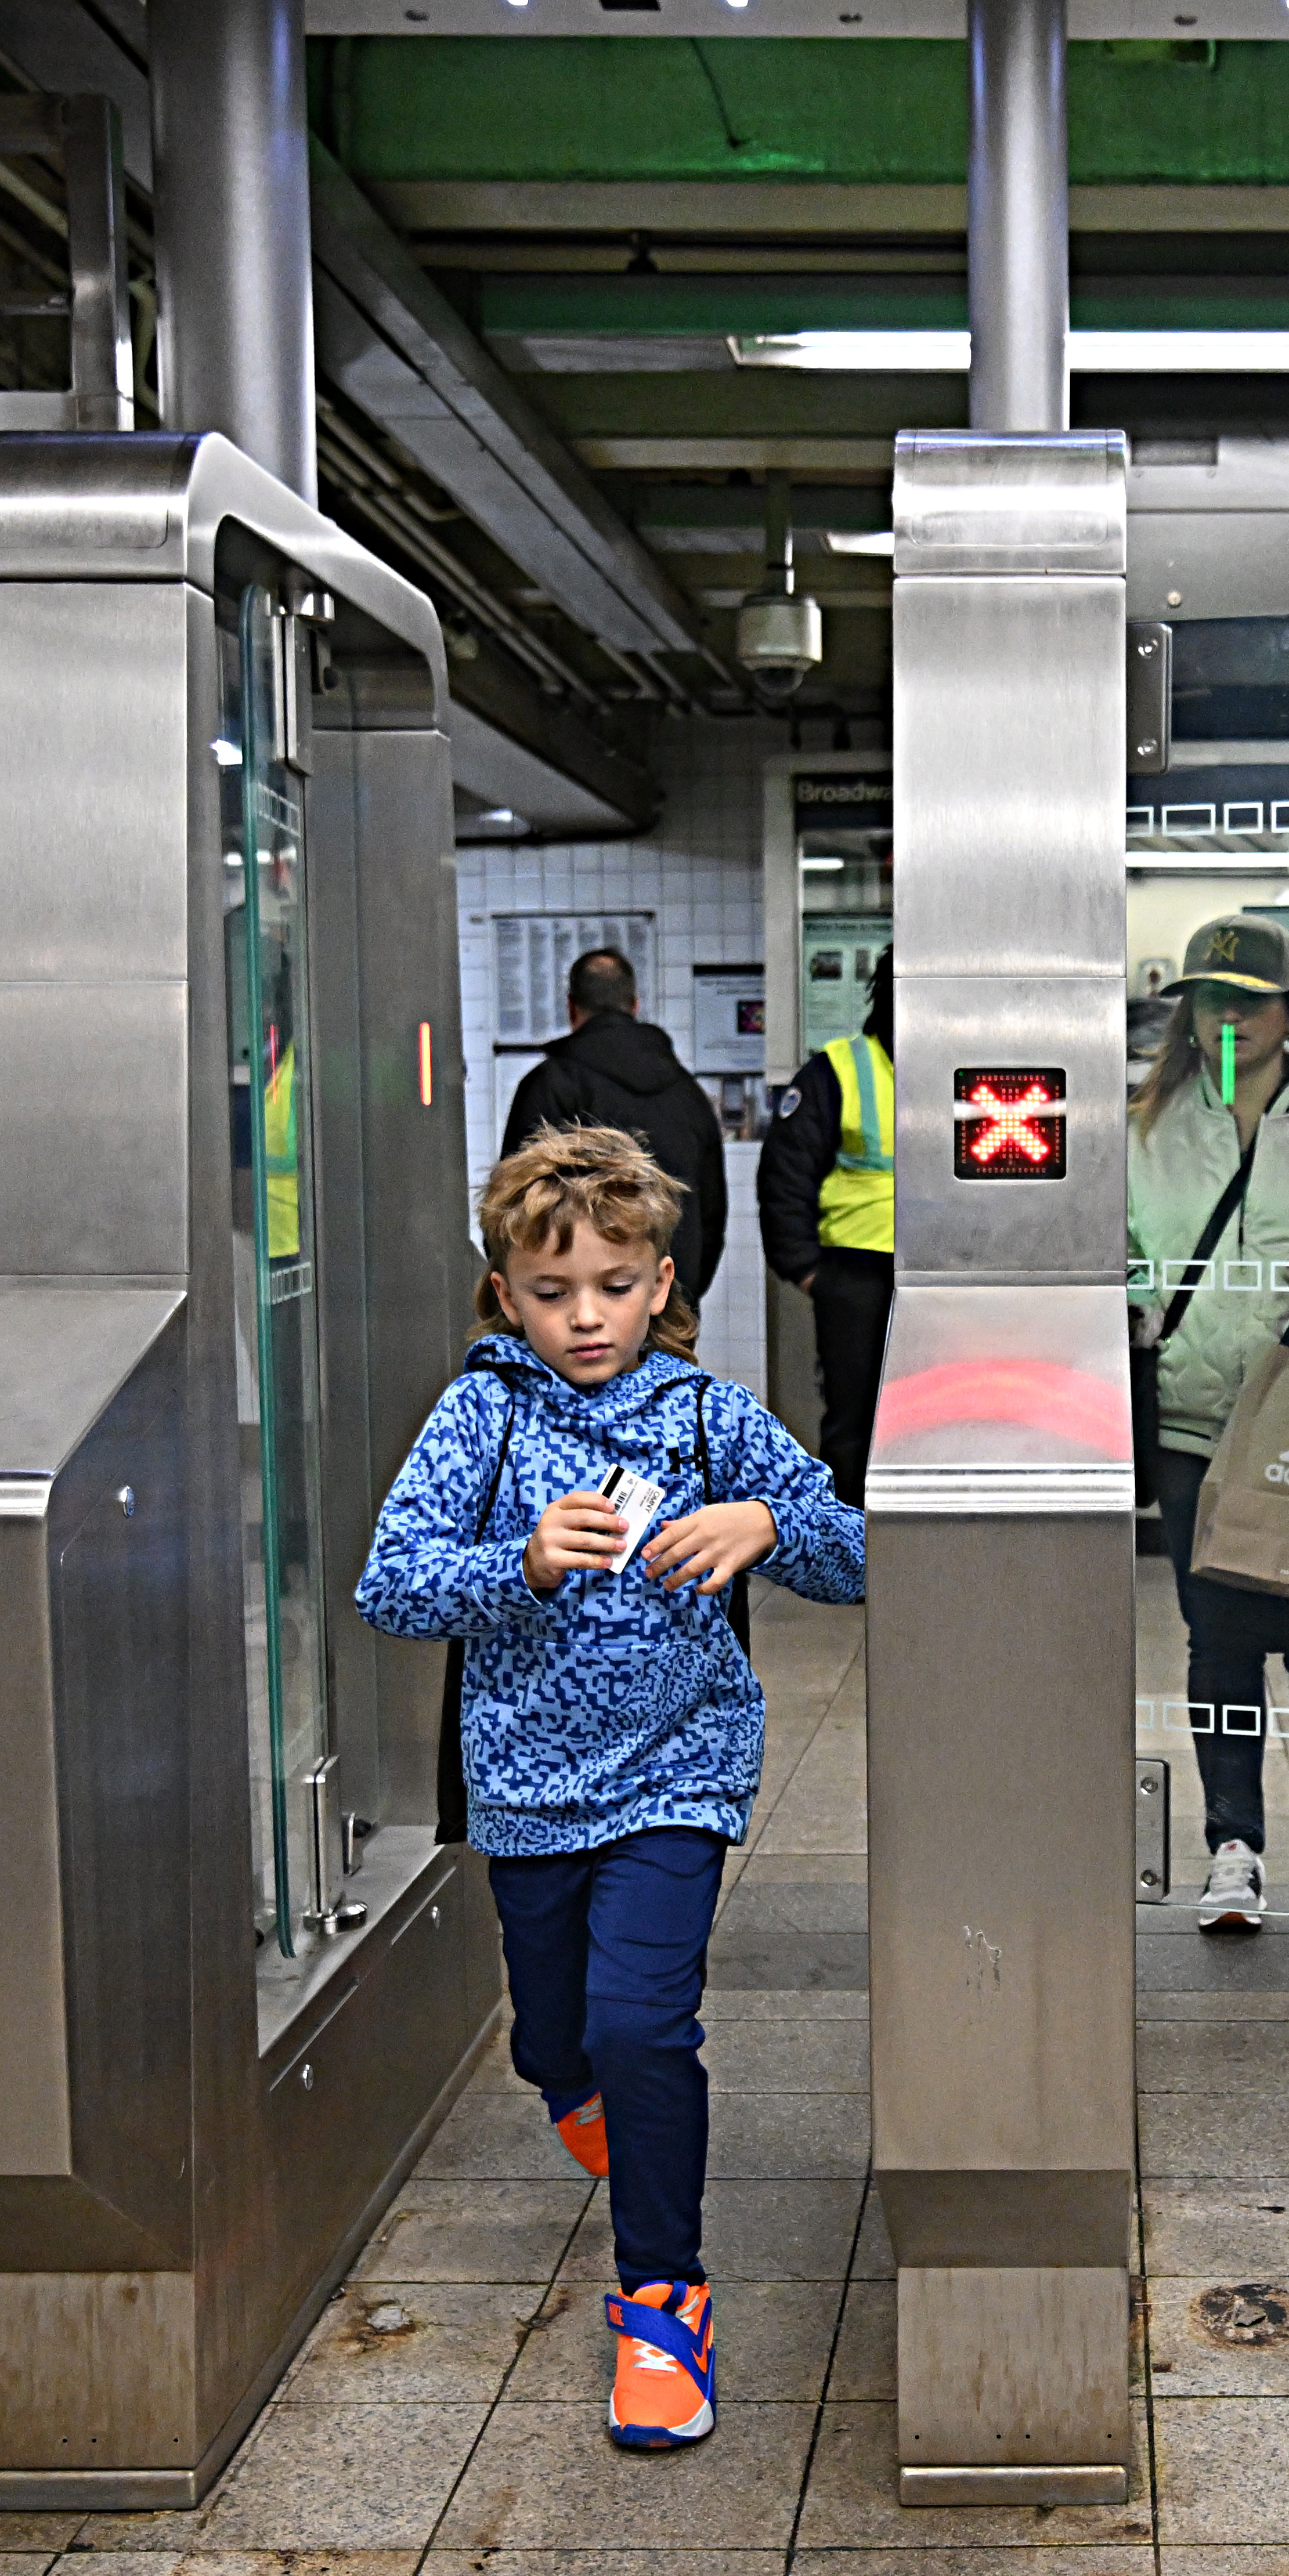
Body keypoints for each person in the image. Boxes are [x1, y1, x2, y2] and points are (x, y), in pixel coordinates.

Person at [356, 1126, 865, 2456]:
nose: (585, 1314)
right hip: (526, 1786)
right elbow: (390, 1581)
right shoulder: (485, 1411)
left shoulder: (704, 1412)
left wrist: (768, 1523)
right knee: (559, 2035)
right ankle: (569, 2081)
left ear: (661, 1279)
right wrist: (516, 1559)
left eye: (614, 1282)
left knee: (646, 2024)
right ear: (505, 1292)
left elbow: (858, 1549)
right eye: (550, 1289)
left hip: (677, 1773)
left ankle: (661, 2302)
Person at [1131, 913, 1289, 1949]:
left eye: (1248, 999)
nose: (1227, 1017)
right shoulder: (1143, 1123)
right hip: (1192, 1422)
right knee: (1218, 1644)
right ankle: (1233, 1845)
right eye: (1210, 998)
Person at [503, 948, 733, 1312]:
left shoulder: (552, 1086)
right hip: (669, 1305)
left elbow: (511, 1207)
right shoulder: (688, 1094)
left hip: (574, 1319)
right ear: (635, 1006)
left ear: (571, 1008)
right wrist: (676, 1297)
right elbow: (712, 1214)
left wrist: (532, 1297)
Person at [755, 953, 894, 1506]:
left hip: (944, 1274)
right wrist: (810, 1272)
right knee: (854, 1418)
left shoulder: (965, 1071)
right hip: (855, 1272)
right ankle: (855, 1549)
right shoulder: (837, 1071)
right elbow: (786, 1176)